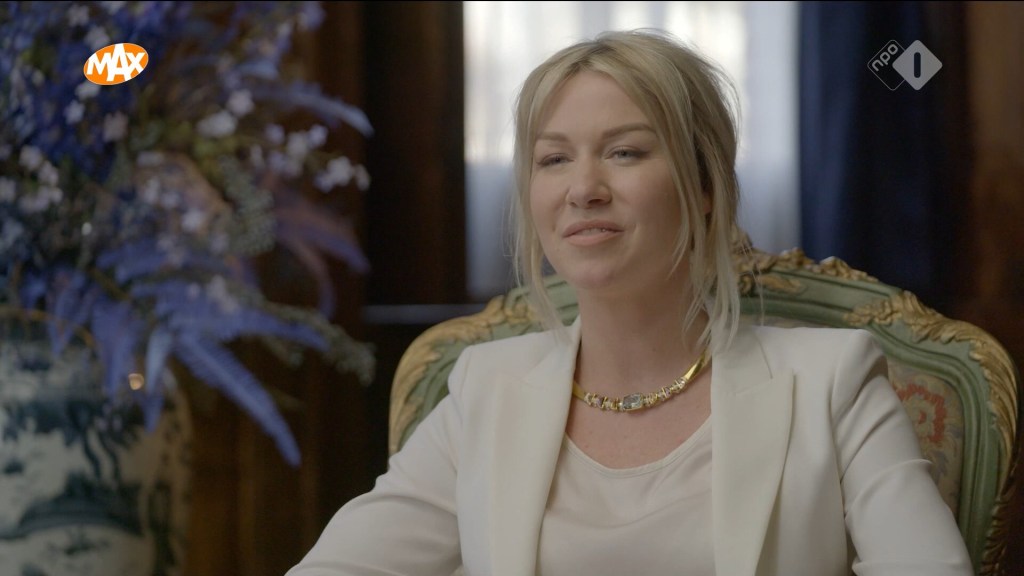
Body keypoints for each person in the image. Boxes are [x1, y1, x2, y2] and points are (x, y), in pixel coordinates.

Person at [285, 29, 973, 576]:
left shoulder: (834, 381)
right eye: (554, 159)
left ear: (705, 185)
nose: (583, 189)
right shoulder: (483, 388)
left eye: (624, 152)